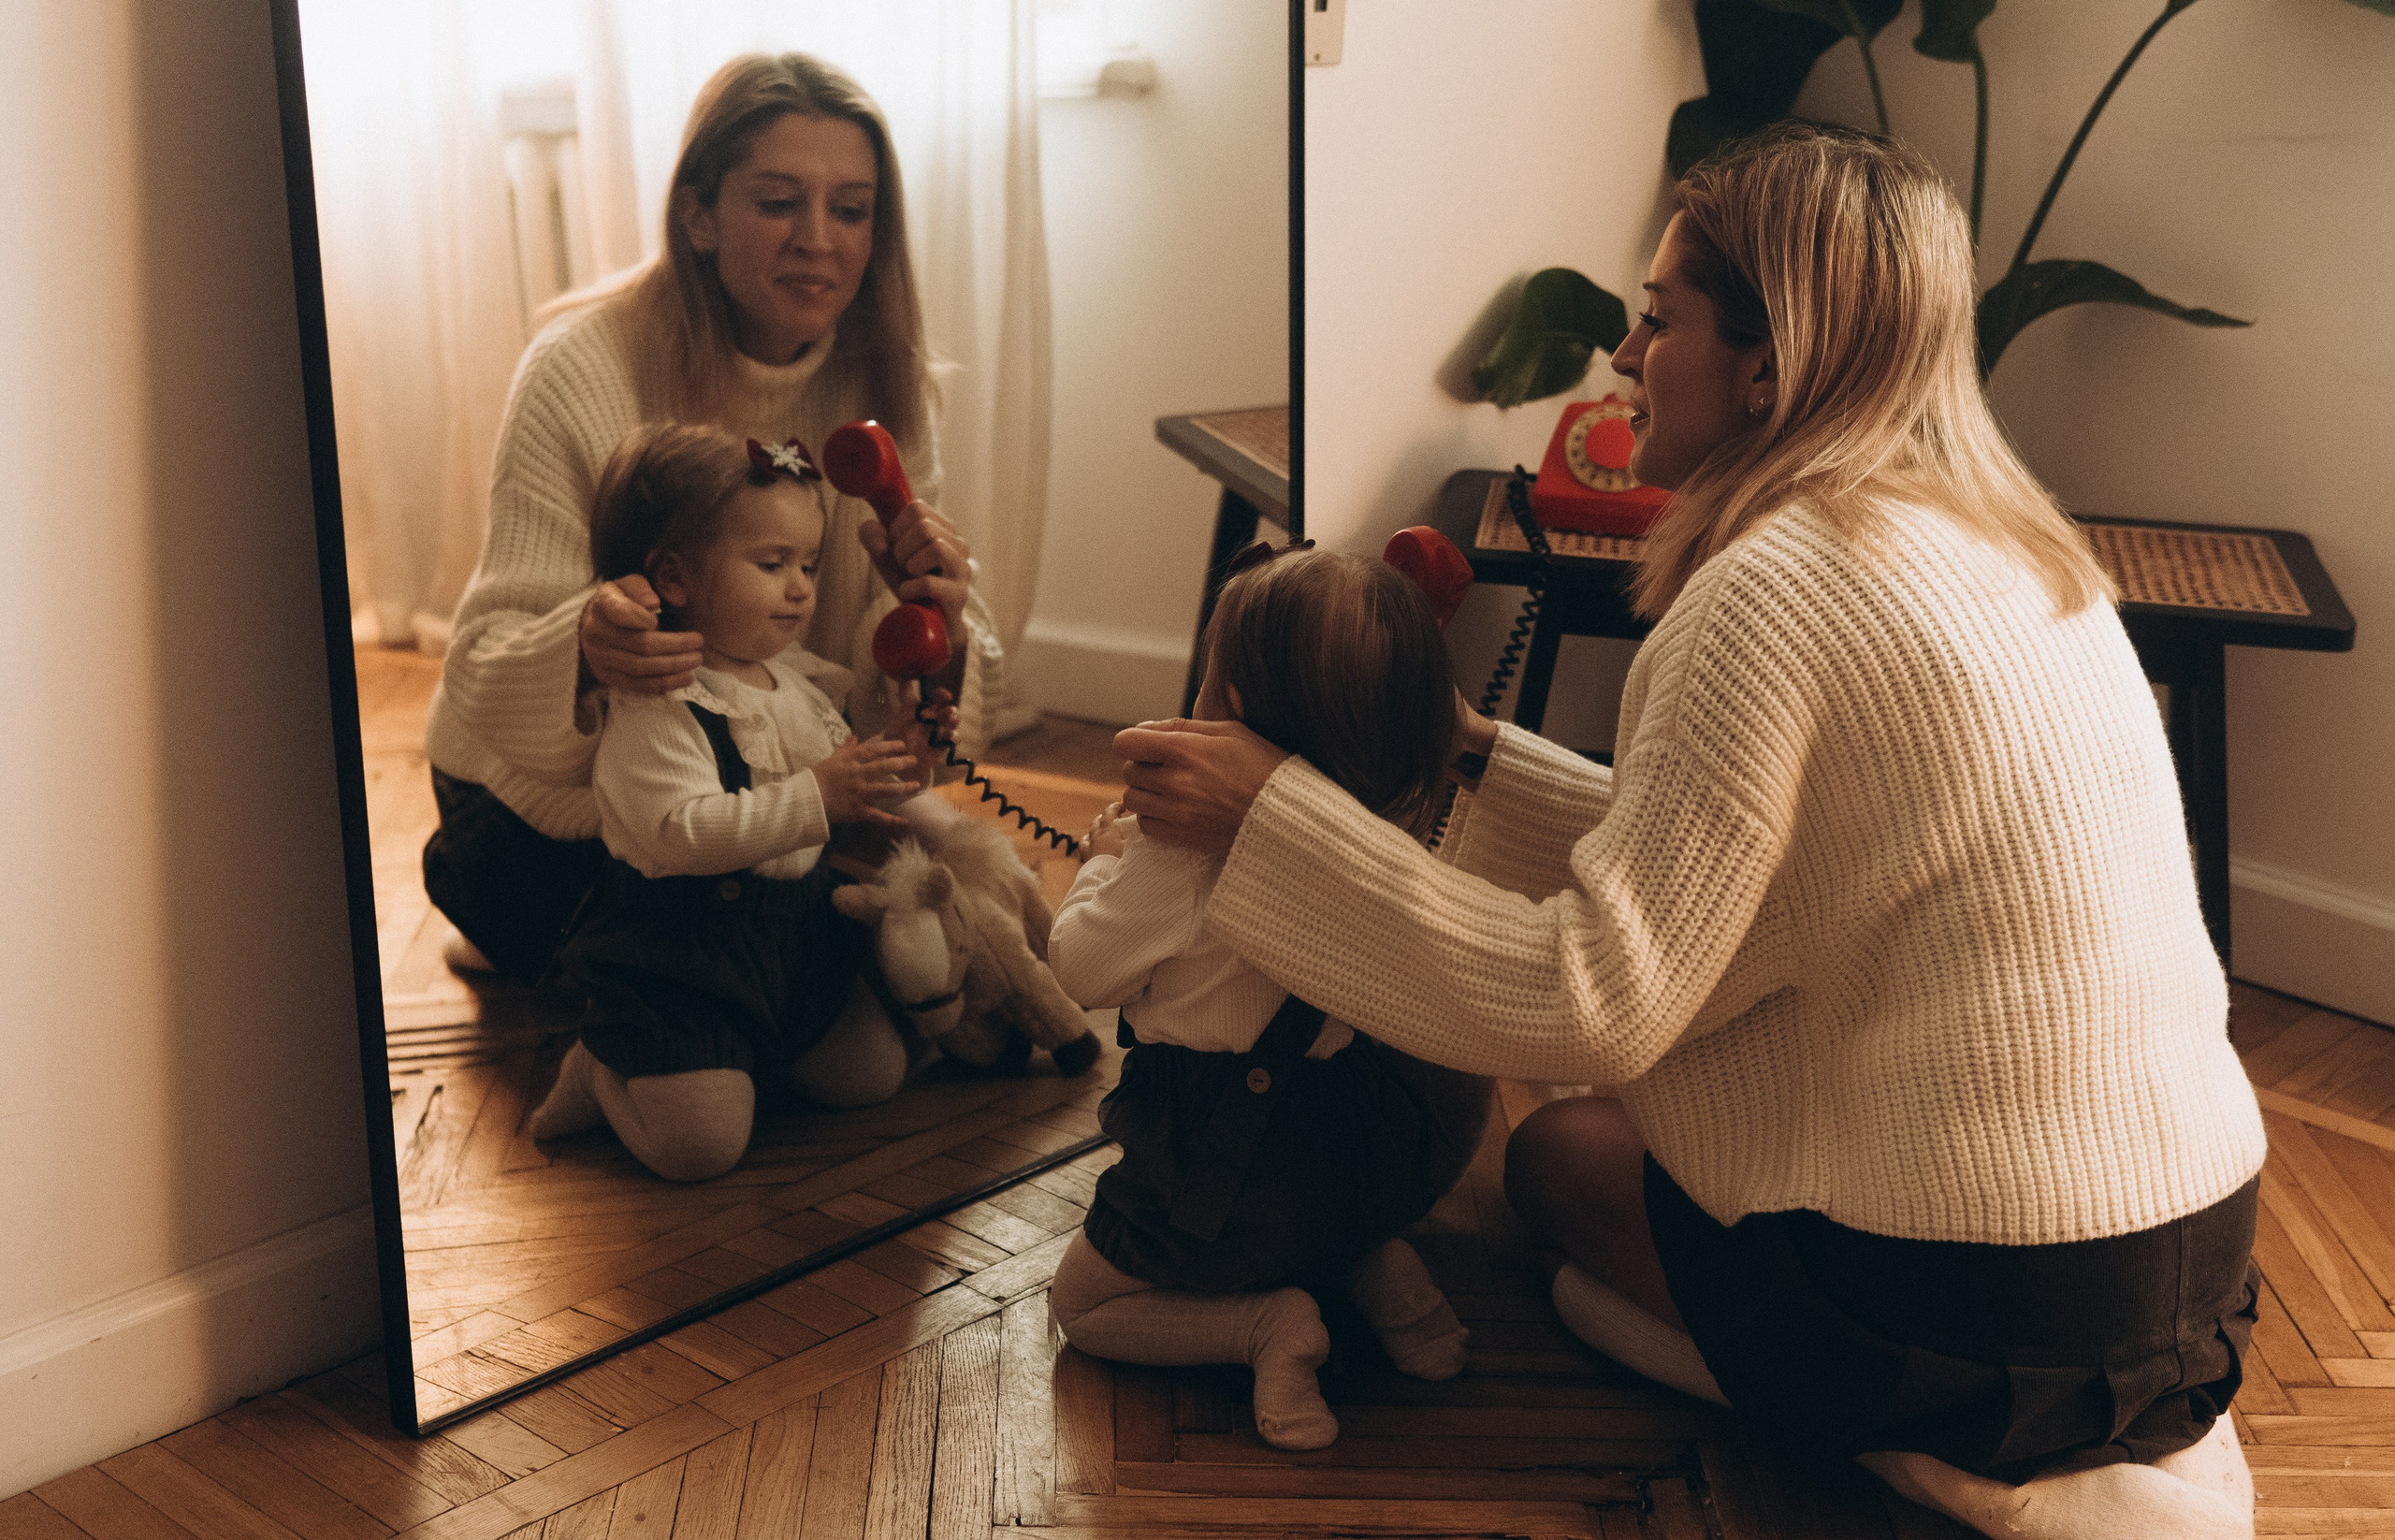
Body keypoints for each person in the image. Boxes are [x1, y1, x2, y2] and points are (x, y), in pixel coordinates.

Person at [1108, 124, 2268, 1539]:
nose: (1621, 358)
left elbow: (1587, 996)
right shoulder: (2010, 542)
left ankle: (1961, 1462)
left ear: (1768, 364)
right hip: (2196, 1291)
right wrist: (1460, 762)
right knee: (1622, 1169)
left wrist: (1268, 813)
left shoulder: (1771, 589)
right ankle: (2061, 1440)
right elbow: (1748, 867)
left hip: (2002, 1314)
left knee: (1560, 1164)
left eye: (1656, 322)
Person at [423, 52, 997, 987]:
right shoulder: (579, 368)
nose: (819, 238)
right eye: (779, 202)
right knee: (729, 997)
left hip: (755, 782)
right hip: (552, 800)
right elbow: (486, 661)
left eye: (850, 210)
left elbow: (873, 715)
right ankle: (476, 896)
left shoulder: (886, 384)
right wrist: (588, 643)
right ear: (698, 215)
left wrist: (942, 635)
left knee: (913, 966)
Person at [1045, 546, 1493, 1451]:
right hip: (1361, 1148)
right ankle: (1380, 1271)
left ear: (1230, 711)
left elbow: (1082, 971)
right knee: (1320, 1205)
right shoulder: (1395, 827)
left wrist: (1101, 867)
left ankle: (1267, 1328)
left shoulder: (1177, 854)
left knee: (1082, 1307)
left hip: (1221, 1160)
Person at [528, 423, 932, 1180]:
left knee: (871, 1075)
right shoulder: (658, 700)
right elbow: (683, 834)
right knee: (699, 1152)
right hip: (683, 956)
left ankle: (741, 1063)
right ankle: (606, 1067)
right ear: (675, 580)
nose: (802, 587)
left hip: (793, 941)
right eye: (772, 563)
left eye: (808, 563)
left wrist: (904, 752)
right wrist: (819, 794)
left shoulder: (800, 682)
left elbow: (852, 791)